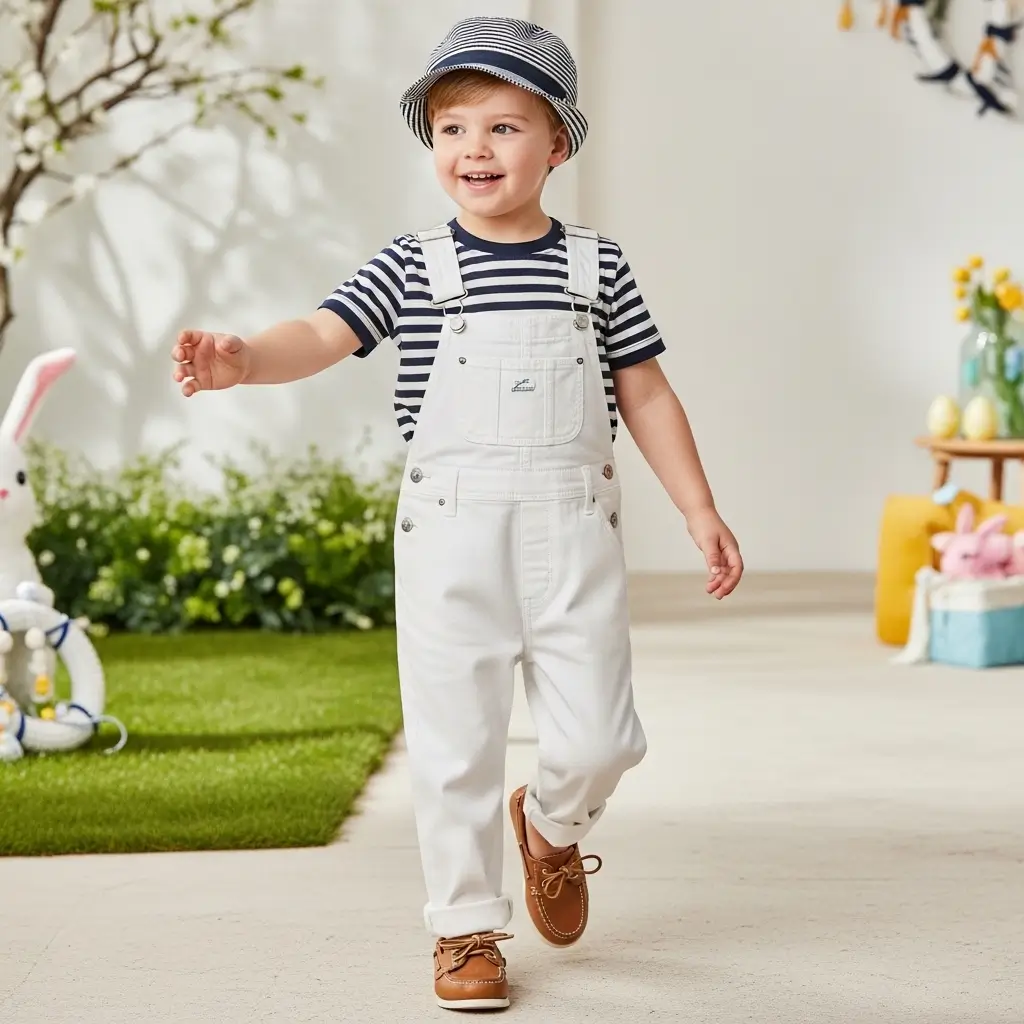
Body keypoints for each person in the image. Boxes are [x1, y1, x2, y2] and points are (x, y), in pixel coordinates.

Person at [171, 15, 743, 1012]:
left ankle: (552, 826)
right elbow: (320, 331)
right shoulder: (413, 262)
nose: (475, 149)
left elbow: (646, 392)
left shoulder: (596, 266)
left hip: (574, 529)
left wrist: (698, 507)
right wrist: (246, 360)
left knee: (604, 736)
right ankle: (466, 928)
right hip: (450, 533)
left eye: (503, 127)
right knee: (455, 742)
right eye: (453, 129)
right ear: (432, 143)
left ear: (557, 142)